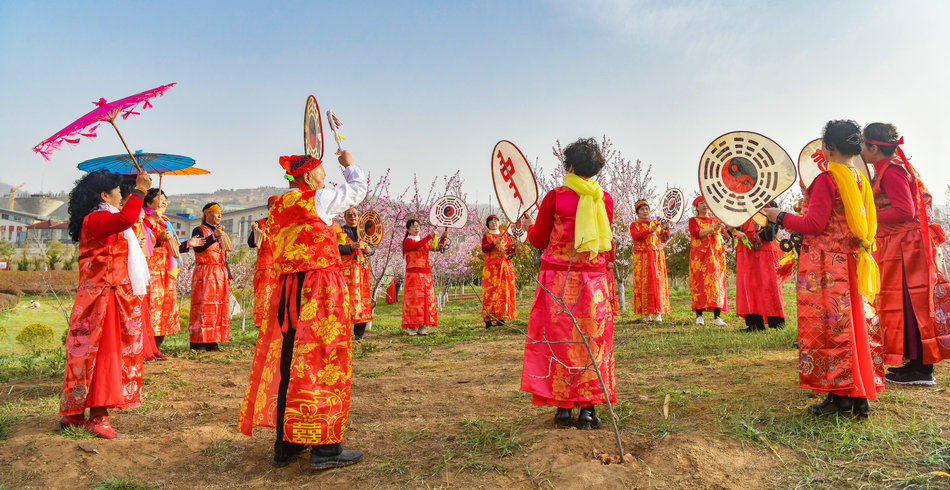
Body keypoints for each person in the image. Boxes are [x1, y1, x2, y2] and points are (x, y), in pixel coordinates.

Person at [238, 150, 367, 470]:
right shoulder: (317, 200)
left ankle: (287, 444)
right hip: (319, 290)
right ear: (308, 178)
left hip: (288, 292)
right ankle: (325, 448)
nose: (326, 178)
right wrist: (349, 165)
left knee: (291, 363)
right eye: (323, 174)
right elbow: (358, 191)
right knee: (324, 361)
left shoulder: (278, 206)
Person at [765, 119, 884, 418]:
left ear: (829, 148)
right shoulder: (858, 178)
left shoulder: (827, 180)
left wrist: (779, 216)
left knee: (831, 332)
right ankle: (859, 399)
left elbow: (813, 225)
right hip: (852, 263)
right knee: (854, 330)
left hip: (826, 268)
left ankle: (839, 399)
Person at [520, 137, 616, 430]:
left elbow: (538, 240)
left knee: (559, 342)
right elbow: (606, 244)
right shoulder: (605, 199)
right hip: (593, 281)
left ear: (570, 165)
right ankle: (588, 409)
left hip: (558, 280)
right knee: (591, 342)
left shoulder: (556, 197)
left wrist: (528, 227)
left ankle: (562, 410)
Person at [58, 169, 152, 439]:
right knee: (104, 357)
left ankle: (73, 415)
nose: (122, 195)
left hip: (99, 297)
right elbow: (126, 218)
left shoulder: (99, 219)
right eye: (118, 191)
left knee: (87, 357)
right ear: (103, 195)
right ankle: (97, 417)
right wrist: (141, 190)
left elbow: (125, 222)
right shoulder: (99, 218)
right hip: (102, 300)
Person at [862, 123, 949, 384]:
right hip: (902, 244)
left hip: (908, 247)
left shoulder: (892, 172)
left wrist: (869, 218)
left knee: (912, 304)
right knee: (907, 303)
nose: (861, 151)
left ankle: (923, 369)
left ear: (874, 148)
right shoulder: (890, 168)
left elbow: (905, 211)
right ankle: (915, 362)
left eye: (863, 146)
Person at [179, 202, 232, 351]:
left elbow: (223, 254)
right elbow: (199, 247)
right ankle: (198, 342)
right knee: (202, 306)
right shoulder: (199, 229)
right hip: (205, 272)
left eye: (220, 212)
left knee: (217, 307)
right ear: (206, 214)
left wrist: (228, 272)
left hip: (219, 273)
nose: (219, 215)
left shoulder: (219, 231)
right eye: (216, 212)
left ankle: (212, 340)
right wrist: (213, 237)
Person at [733, 212, 785, 331]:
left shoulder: (770, 206)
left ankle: (777, 323)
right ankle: (755, 324)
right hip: (748, 251)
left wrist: (761, 229)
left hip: (766, 251)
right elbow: (737, 228)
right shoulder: (742, 206)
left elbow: (771, 234)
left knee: (770, 286)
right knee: (750, 287)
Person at [144, 189, 181, 348]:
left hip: (165, 269)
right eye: (160, 199)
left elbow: (175, 247)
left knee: (165, 305)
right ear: (148, 203)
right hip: (151, 269)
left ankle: (157, 346)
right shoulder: (144, 219)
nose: (164, 202)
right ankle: (147, 346)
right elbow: (143, 243)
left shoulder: (165, 221)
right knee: (151, 306)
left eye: (165, 199)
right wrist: (158, 240)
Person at [689, 196, 729, 325]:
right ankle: (699, 315)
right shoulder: (693, 220)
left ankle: (717, 317)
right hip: (699, 256)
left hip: (716, 256)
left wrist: (731, 223)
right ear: (696, 207)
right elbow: (697, 234)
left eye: (706, 203)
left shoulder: (715, 220)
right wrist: (713, 228)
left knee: (716, 283)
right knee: (699, 282)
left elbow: (726, 235)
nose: (705, 205)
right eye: (701, 203)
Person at [629, 200, 671, 322]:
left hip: (657, 257)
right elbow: (636, 237)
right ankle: (646, 314)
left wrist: (667, 230)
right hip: (642, 258)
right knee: (645, 284)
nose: (645, 211)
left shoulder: (656, 223)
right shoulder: (634, 225)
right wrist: (649, 231)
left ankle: (658, 312)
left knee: (658, 283)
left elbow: (663, 238)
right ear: (637, 212)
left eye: (646, 208)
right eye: (642, 209)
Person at [401, 219, 445, 336]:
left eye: (418, 226)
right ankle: (411, 327)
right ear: (408, 229)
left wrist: (443, 238)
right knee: (414, 301)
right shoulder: (408, 241)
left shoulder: (423, 240)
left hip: (426, 275)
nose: (417, 228)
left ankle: (422, 327)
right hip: (413, 276)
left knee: (425, 301)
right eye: (413, 226)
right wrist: (430, 236)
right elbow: (417, 245)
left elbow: (436, 248)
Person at [337, 206, 375, 340]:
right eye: (349, 214)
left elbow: (372, 247)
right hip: (346, 272)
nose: (352, 216)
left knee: (363, 299)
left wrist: (368, 250)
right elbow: (335, 249)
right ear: (345, 217)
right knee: (346, 300)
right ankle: (344, 331)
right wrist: (349, 247)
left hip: (362, 271)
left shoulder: (364, 231)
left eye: (355, 214)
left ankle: (359, 333)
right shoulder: (340, 231)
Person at [247, 196, 279, 329]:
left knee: (279, 295)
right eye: (272, 204)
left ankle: (279, 323)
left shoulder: (285, 223)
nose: (274, 207)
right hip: (264, 266)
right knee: (263, 296)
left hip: (280, 266)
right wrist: (254, 231)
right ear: (268, 207)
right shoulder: (260, 223)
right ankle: (262, 324)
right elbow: (251, 243)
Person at [481, 215, 517, 328]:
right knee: (490, 293)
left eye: (495, 221)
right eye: (491, 221)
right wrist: (494, 242)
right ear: (488, 225)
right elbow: (484, 249)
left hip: (504, 268)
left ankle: (500, 318)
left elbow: (510, 250)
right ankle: (488, 319)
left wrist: (514, 246)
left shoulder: (505, 236)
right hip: (491, 271)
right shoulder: (486, 237)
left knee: (503, 292)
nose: (493, 222)